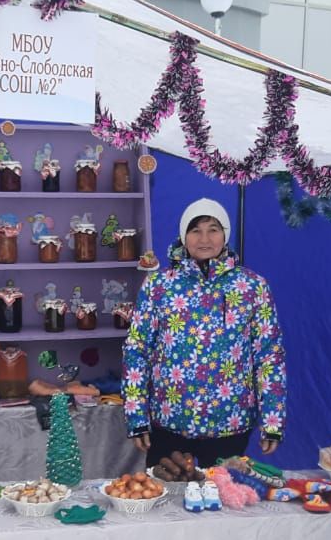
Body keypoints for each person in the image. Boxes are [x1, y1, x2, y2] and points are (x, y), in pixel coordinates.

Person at [122, 197, 287, 469]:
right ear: (183, 235)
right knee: (167, 501)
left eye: (213, 229)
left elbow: (269, 355)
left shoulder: (252, 286)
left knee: (223, 502)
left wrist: (272, 421)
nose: (204, 238)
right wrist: (137, 416)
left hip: (230, 422)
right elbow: (137, 351)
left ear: (226, 234)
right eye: (195, 230)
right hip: (169, 422)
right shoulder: (159, 286)